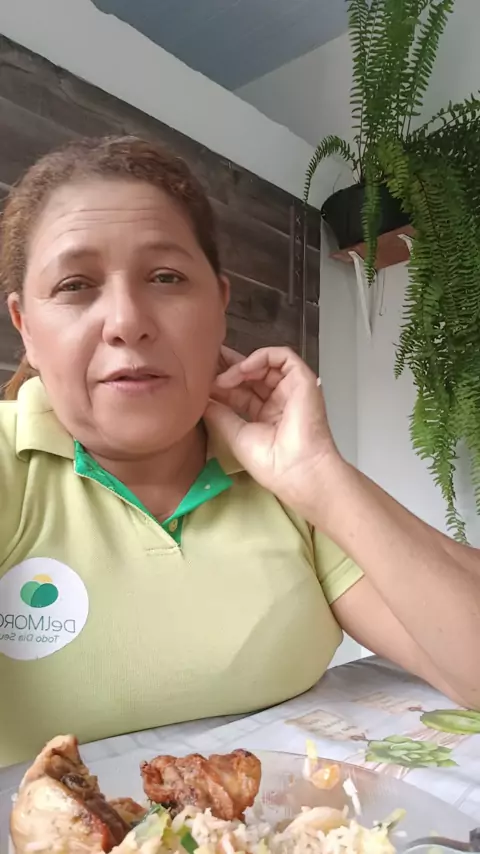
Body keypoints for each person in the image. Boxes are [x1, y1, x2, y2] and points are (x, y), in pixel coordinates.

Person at [0, 136, 478, 768]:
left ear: (220, 307)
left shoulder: (283, 479)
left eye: (166, 277)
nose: (126, 321)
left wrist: (319, 476)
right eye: (75, 285)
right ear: (26, 329)